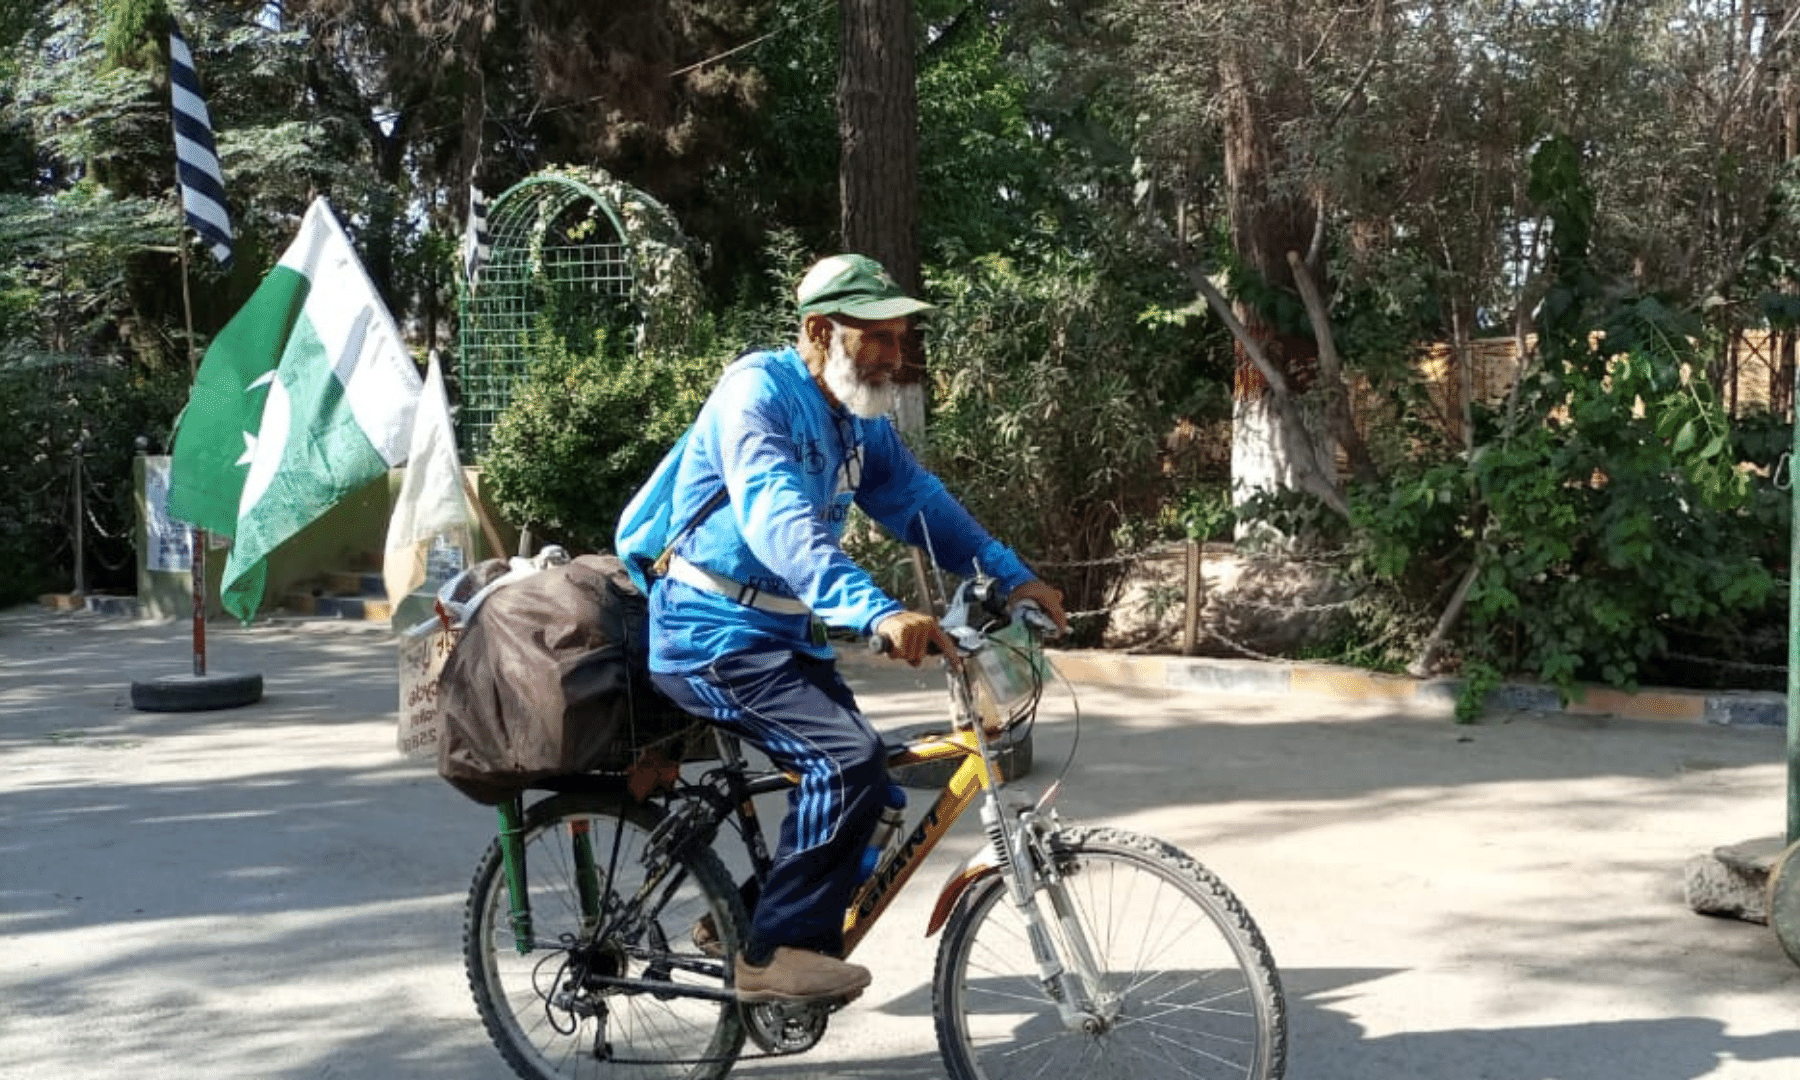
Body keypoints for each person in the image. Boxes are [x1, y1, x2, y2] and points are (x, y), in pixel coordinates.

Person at [637, 253, 1068, 1004]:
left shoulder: (854, 422)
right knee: (849, 763)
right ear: (819, 330)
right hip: (708, 633)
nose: (897, 358)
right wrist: (876, 608)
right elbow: (778, 519)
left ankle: (739, 918)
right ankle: (767, 958)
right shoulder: (757, 395)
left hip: (781, 637)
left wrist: (1010, 573)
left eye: (901, 339)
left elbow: (918, 502)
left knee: (876, 805)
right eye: (879, 338)